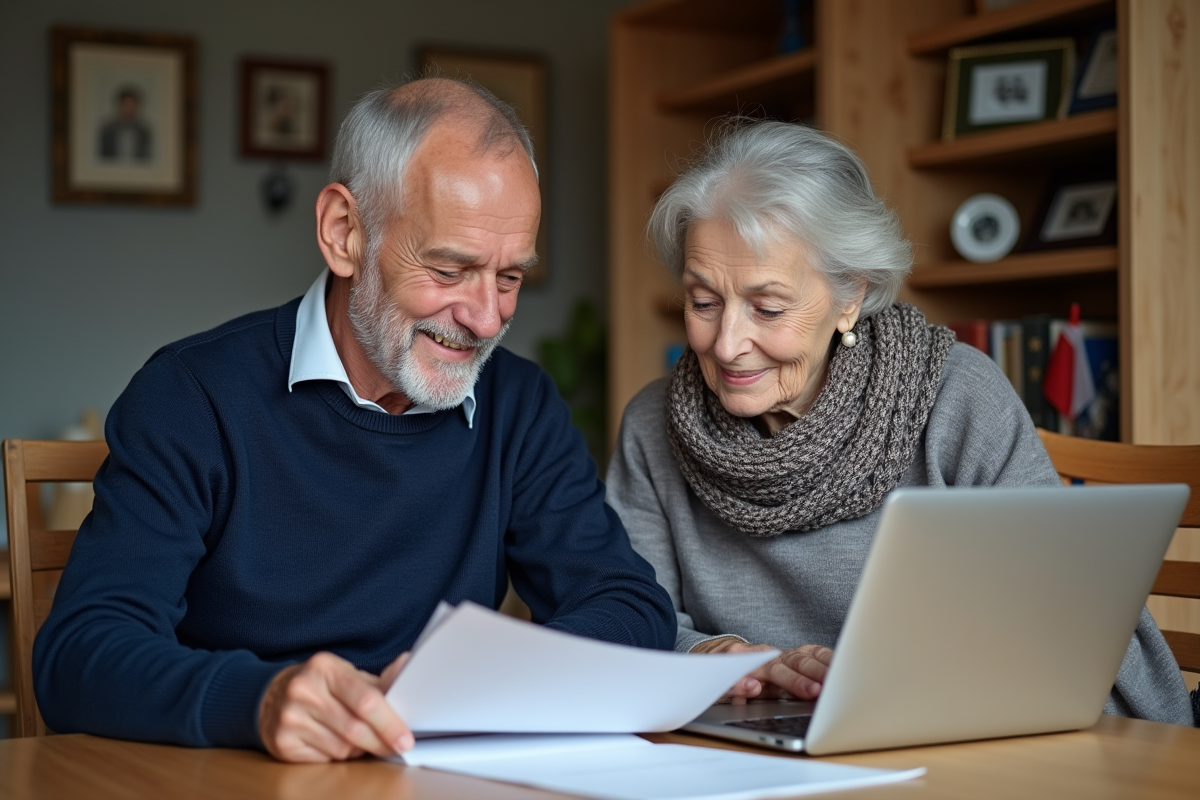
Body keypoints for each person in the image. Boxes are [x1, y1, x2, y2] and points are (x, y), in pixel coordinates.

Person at [35, 77, 676, 762]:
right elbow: (81, 653)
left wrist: (495, 678)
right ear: (344, 234)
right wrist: (258, 699)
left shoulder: (519, 405)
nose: (488, 318)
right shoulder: (192, 394)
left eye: (510, 277)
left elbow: (631, 606)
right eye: (451, 269)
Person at [606, 120, 1194, 726]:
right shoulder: (654, 423)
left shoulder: (955, 397)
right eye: (703, 302)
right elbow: (628, 612)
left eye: (768, 307)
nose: (727, 345)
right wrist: (710, 655)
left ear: (849, 297)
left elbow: (1065, 618)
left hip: (953, 730)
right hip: (740, 742)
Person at [98, 85, 152, 161]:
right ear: (119, 106)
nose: (129, 109)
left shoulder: (144, 131)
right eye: (126, 104)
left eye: (132, 105)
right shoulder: (107, 130)